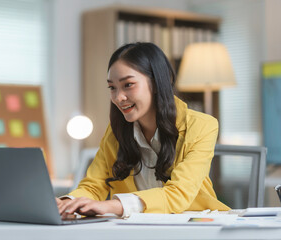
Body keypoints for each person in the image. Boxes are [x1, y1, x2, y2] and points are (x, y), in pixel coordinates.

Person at [57, 42, 230, 218]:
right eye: (112, 87)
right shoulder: (116, 132)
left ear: (156, 83)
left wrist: (114, 206)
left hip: (192, 227)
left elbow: (179, 194)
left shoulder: (202, 126)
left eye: (128, 85)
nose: (119, 97)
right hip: (136, 230)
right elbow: (94, 186)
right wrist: (68, 203)